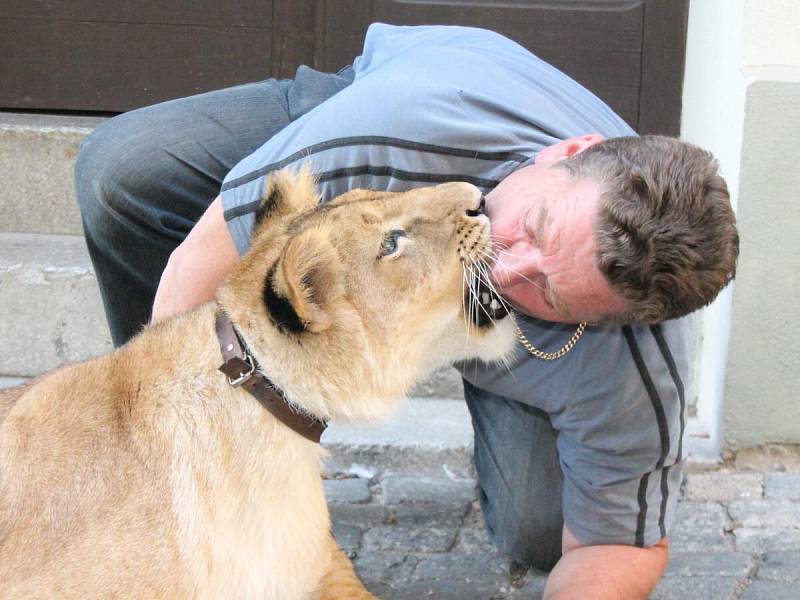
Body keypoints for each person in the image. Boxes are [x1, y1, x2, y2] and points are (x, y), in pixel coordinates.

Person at [74, 24, 739, 599]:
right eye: (532, 229)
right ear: (565, 153)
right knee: (121, 170)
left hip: (533, 356)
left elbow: (618, 548)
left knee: (546, 531)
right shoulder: (405, 134)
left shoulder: (635, 360)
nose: (505, 272)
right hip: (383, 103)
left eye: (552, 297)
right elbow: (211, 256)